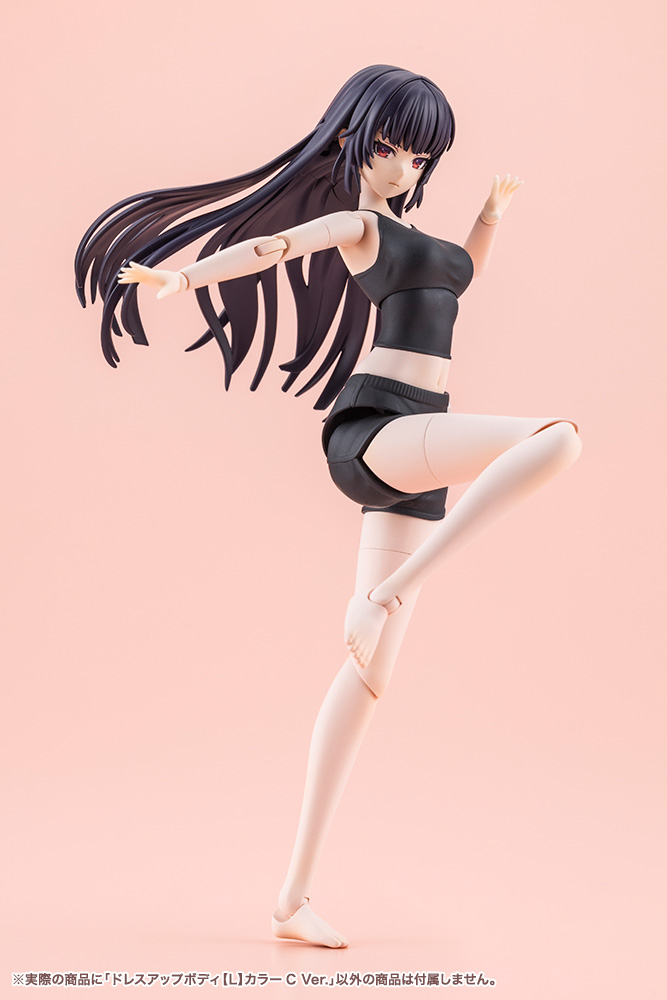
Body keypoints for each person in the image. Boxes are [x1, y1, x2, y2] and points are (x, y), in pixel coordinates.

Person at [76, 65, 581, 948]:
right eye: (389, 148)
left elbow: (460, 277)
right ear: (353, 142)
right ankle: (385, 591)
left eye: (418, 156)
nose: (402, 167)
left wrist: (490, 215)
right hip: (378, 428)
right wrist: (183, 282)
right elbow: (276, 247)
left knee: (369, 677)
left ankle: (292, 897)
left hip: (421, 441)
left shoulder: (424, 240)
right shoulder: (360, 226)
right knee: (555, 439)